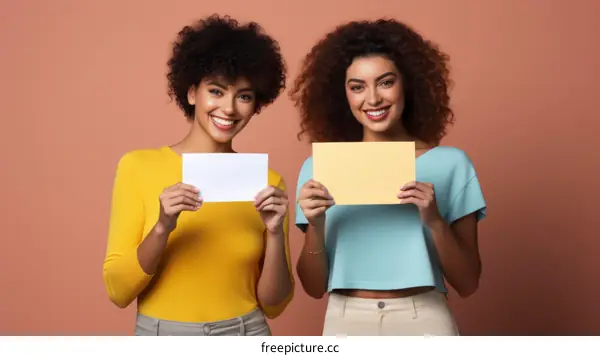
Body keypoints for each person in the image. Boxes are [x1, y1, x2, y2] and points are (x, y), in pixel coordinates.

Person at [289, 18, 487, 336]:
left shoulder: (451, 164)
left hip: (423, 318)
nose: (373, 99)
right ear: (343, 95)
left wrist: (433, 219)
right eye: (357, 87)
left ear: (407, 84)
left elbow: (468, 282)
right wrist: (315, 224)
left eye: (385, 82)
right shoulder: (320, 168)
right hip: (344, 319)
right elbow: (313, 288)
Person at [102, 14, 294, 336]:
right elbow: (118, 291)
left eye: (244, 96)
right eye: (216, 91)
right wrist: (163, 227)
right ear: (192, 93)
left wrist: (275, 233)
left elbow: (274, 305)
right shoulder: (138, 167)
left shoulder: (267, 181)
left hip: (247, 333)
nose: (229, 108)